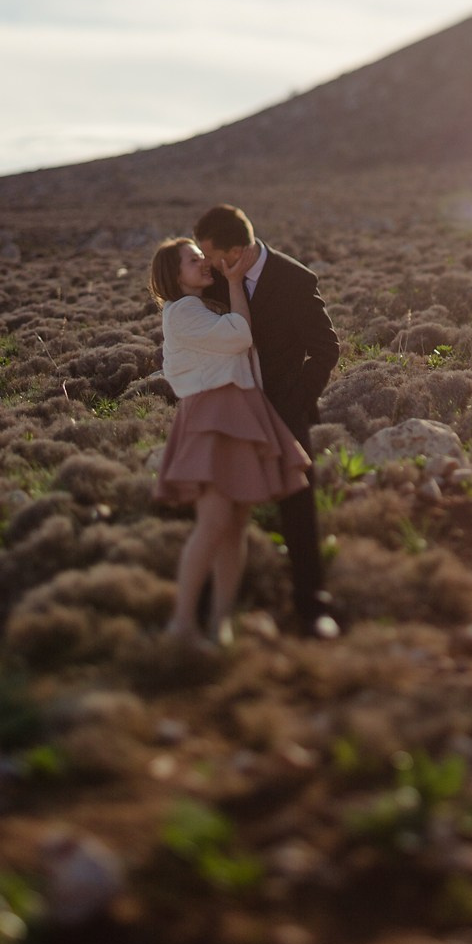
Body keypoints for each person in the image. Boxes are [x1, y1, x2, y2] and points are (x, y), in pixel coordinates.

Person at [147, 237, 311, 643]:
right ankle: (182, 624)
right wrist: (235, 282)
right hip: (214, 416)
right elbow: (240, 336)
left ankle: (219, 626)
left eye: (202, 257)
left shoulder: (199, 307)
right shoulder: (183, 311)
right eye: (193, 260)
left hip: (235, 410)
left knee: (235, 525)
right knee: (215, 521)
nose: (203, 263)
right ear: (174, 273)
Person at [192, 204, 341, 637]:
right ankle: (207, 608)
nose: (208, 264)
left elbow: (326, 348)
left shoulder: (295, 279)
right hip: (227, 407)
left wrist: (294, 402)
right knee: (216, 505)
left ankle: (313, 605)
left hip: (282, 409)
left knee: (298, 503)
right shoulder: (212, 278)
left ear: (237, 251)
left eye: (213, 255)